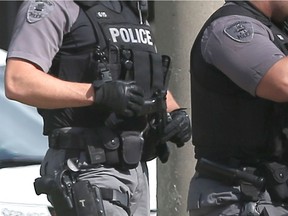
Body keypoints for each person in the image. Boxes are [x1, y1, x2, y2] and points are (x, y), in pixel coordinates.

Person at [4, 1, 192, 216]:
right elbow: (18, 81)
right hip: (85, 166)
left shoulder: (132, 10)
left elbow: (141, 82)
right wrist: (97, 94)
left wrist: (174, 112)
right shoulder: (56, 6)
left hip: (135, 170)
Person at [189, 0, 288, 216]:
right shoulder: (230, 27)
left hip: (270, 194)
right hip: (242, 196)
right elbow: (283, 81)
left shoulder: (276, 30)